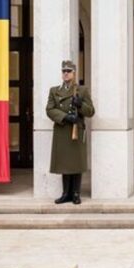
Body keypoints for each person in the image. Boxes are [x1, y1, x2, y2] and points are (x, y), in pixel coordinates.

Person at [46, 60, 95, 205]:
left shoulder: (82, 90)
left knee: (76, 163)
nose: (66, 73)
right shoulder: (54, 90)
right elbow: (49, 109)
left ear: (74, 73)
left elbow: (91, 112)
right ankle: (65, 193)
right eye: (64, 71)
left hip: (76, 131)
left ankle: (75, 193)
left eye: (69, 71)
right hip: (62, 130)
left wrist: (80, 105)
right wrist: (65, 117)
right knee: (64, 163)